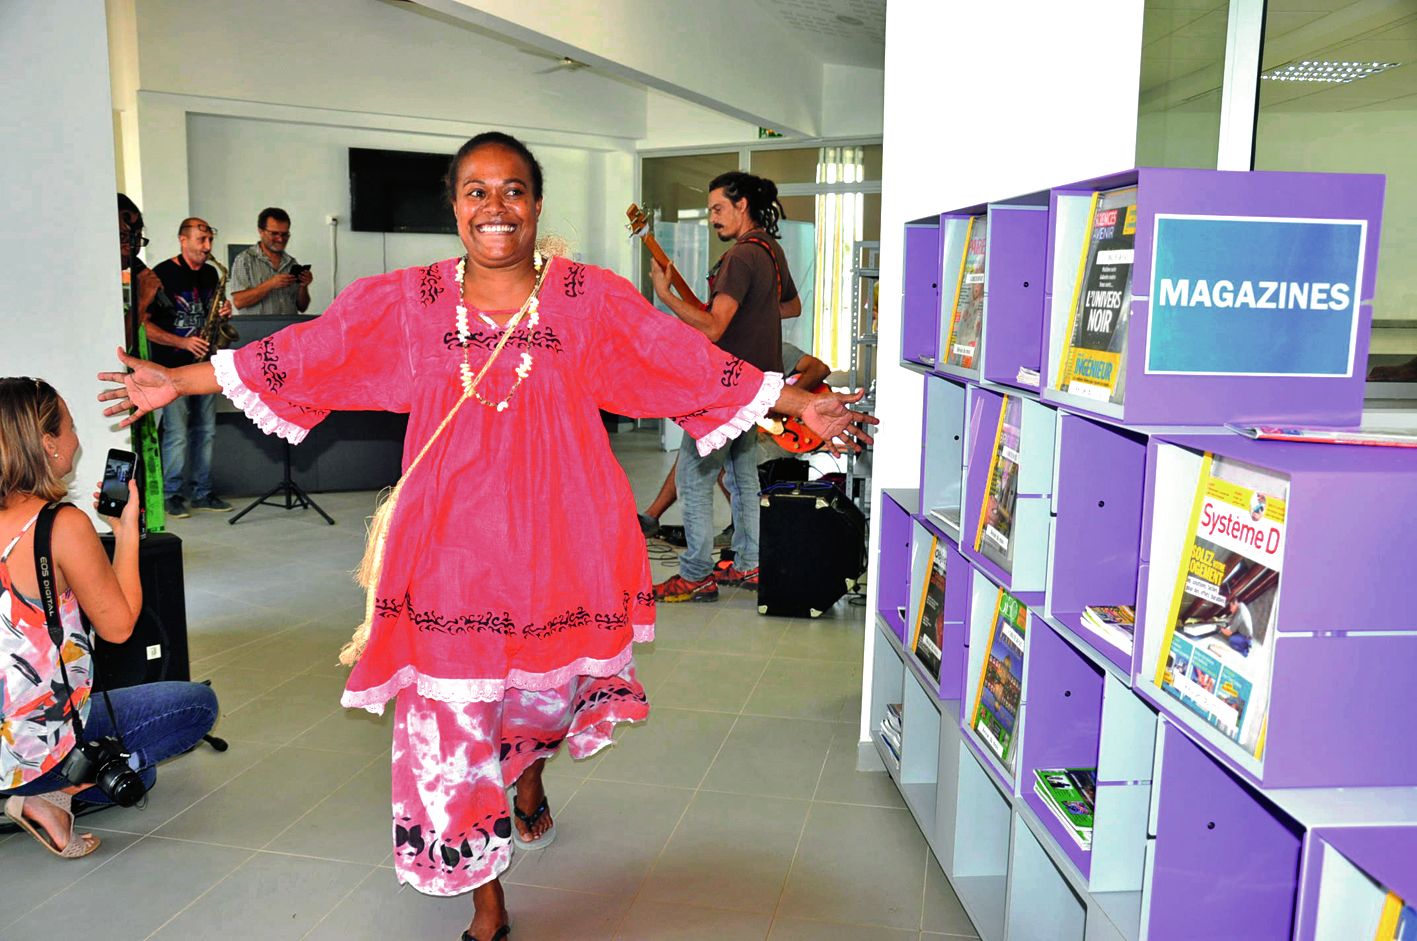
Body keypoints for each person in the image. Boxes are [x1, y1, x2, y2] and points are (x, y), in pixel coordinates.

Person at [97, 131, 875, 941]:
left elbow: (677, 359)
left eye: (512, 190)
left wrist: (796, 402)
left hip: (561, 541)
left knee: (540, 692)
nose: (495, 207)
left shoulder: (587, 296)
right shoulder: (408, 299)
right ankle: (485, 895)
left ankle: (528, 776)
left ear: (536, 204)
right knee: (449, 713)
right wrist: (181, 377)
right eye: (476, 191)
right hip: (446, 547)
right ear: (454, 206)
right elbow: (313, 351)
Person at [0, 378, 219, 859]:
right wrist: (126, 531)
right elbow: (119, 626)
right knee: (195, 708)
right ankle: (47, 795)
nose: (77, 438)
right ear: (47, 443)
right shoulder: (59, 524)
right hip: (33, 743)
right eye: (72, 426)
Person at [648, 171, 801, 602]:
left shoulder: (740, 258)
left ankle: (696, 573)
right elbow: (790, 305)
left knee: (694, 478)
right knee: (741, 476)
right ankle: (750, 564)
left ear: (742, 206)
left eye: (718, 208)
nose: (713, 218)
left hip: (725, 388)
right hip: (756, 386)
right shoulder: (771, 252)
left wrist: (667, 295)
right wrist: (752, 314)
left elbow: (714, 328)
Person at [638, 341, 830, 562]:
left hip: (783, 437)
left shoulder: (773, 348)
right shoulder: (728, 354)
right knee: (709, 445)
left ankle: (726, 540)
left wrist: (783, 405)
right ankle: (656, 518)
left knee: (713, 452)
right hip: (757, 432)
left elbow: (820, 368)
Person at [146, 218, 233, 518]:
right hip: (172, 368)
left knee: (206, 431)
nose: (207, 247)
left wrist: (223, 313)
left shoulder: (210, 274)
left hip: (206, 365)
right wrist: (182, 344)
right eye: (201, 240)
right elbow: (143, 325)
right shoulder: (162, 274)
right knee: (177, 434)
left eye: (210, 240)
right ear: (183, 240)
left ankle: (202, 492)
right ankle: (171, 494)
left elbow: (209, 316)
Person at [229, 207, 313, 316]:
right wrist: (270, 284)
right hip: (258, 331)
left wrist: (303, 286)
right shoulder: (244, 260)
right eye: (274, 233)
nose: (280, 239)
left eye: (284, 234)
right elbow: (239, 302)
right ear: (261, 231)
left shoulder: (292, 263)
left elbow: (302, 307)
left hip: (287, 330)